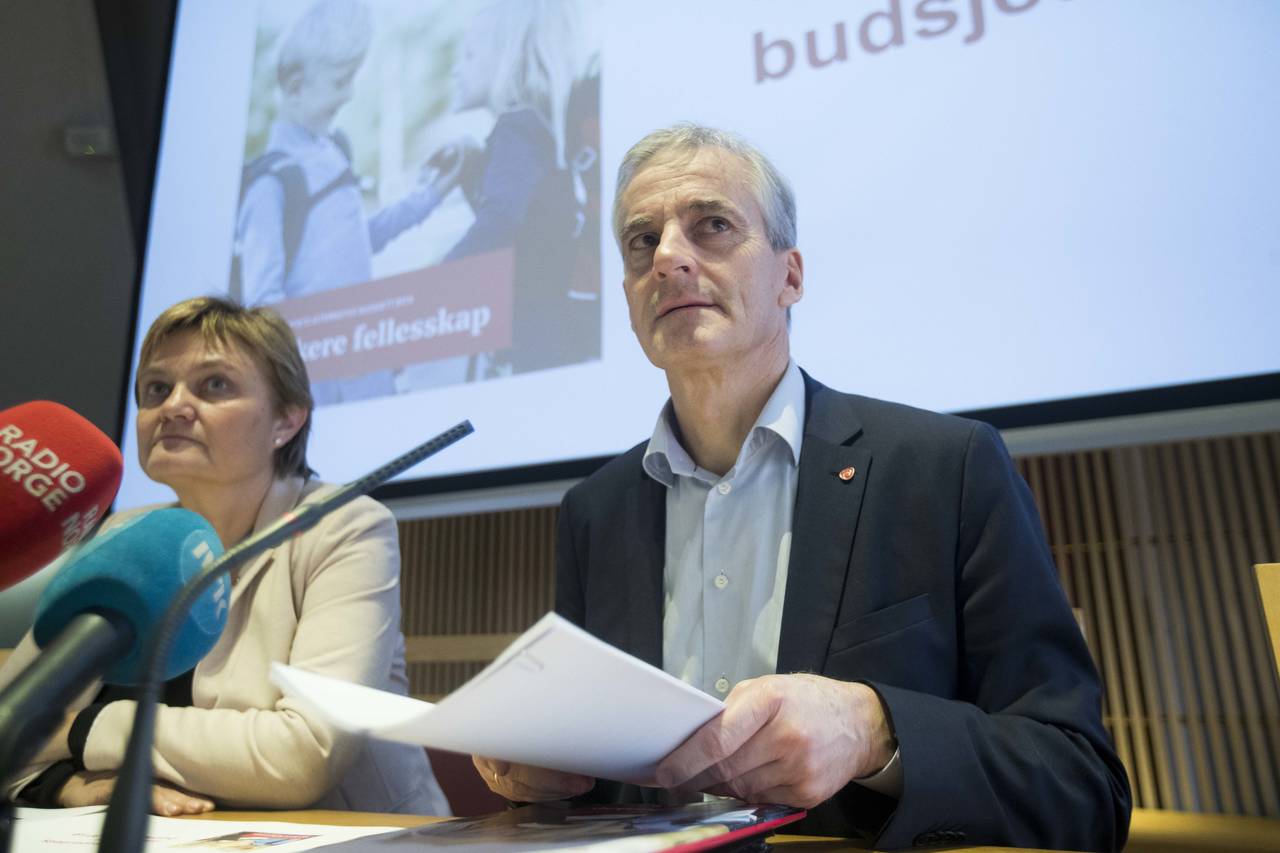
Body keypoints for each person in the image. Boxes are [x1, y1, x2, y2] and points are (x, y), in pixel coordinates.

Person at [472, 124, 1132, 850]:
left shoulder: (946, 468)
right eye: (641, 242)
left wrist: (875, 731)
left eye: (712, 226)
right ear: (630, 295)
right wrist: (537, 763)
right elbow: (601, 785)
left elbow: (1083, 785)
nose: (666, 257)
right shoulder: (593, 511)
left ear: (790, 276)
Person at [0, 297, 450, 816]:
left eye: (214, 385)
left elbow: (304, 755)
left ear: (287, 419)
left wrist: (82, 731)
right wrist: (59, 784)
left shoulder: (344, 525)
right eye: (156, 389)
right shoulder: (124, 535)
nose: (173, 406)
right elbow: (16, 721)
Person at [233, 0, 461, 404]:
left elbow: (354, 242)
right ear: (297, 85)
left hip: (368, 377)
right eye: (340, 81)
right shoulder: (271, 184)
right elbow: (263, 305)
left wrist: (428, 197)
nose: (350, 93)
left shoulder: (336, 149)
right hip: (323, 392)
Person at [398, 0, 589, 389]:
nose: (456, 68)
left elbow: (500, 220)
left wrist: (429, 292)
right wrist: (472, 162)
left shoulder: (515, 128)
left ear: (505, 57)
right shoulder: (535, 129)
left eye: (469, 55)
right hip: (546, 330)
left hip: (534, 338)